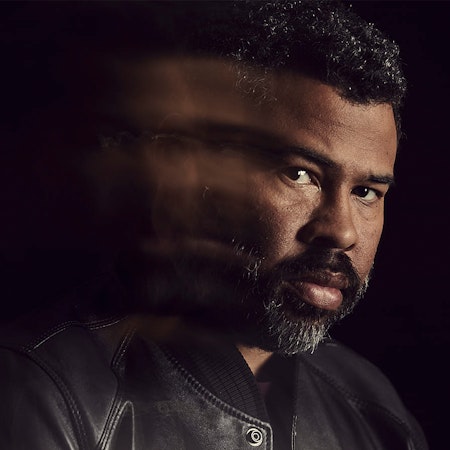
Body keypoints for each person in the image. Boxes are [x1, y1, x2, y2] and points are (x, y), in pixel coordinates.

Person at [0, 1, 428, 449]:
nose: (342, 232)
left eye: (366, 192)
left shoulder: (377, 412)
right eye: (300, 174)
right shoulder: (38, 391)